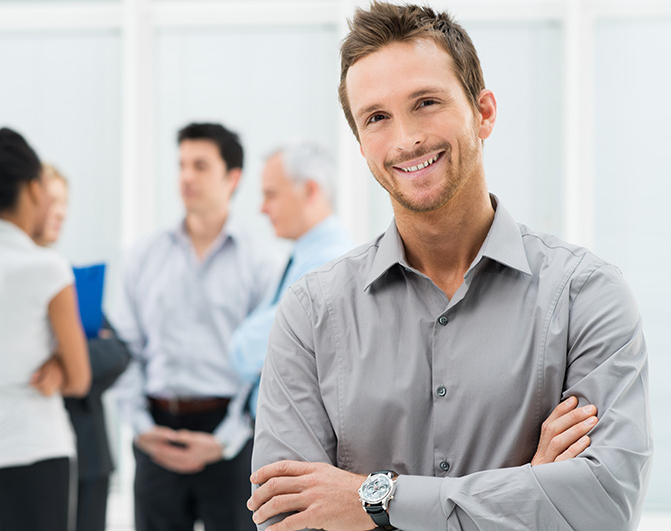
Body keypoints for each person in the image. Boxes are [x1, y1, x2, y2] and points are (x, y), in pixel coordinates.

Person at [248, 3, 652, 530]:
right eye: (376, 117)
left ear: (483, 112)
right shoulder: (310, 313)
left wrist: (376, 500)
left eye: (426, 102)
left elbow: (602, 506)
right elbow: (287, 517)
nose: (405, 139)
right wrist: (528, 487)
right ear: (361, 144)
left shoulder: (586, 296)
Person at [112, 122, 277, 531]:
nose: (186, 176)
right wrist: (141, 428)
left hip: (230, 435)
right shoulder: (143, 256)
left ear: (232, 178)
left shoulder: (261, 263)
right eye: (182, 164)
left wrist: (225, 439)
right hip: (155, 431)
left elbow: (269, 365)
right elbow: (124, 349)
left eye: (200, 165)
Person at [0, 128, 91, 531]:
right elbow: (79, 378)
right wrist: (61, 366)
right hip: (33, 446)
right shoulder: (46, 268)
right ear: (33, 189)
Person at [33, 164, 131, 531]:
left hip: (89, 455)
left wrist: (65, 363)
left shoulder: (71, 282)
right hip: (35, 451)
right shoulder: (20, 281)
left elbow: (119, 353)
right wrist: (78, 353)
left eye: (66, 203)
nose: (62, 212)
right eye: (53, 200)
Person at [230, 142, 354, 417]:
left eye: (270, 195)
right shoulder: (303, 256)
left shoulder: (330, 265)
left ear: (310, 190)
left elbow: (248, 349)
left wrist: (243, 341)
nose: (262, 208)